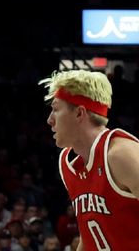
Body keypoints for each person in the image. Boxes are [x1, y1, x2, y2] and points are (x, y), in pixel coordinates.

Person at [41, 70, 139, 251]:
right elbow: (90, 238)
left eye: (55, 109)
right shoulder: (69, 167)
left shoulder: (120, 154)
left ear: (79, 113)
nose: (49, 120)